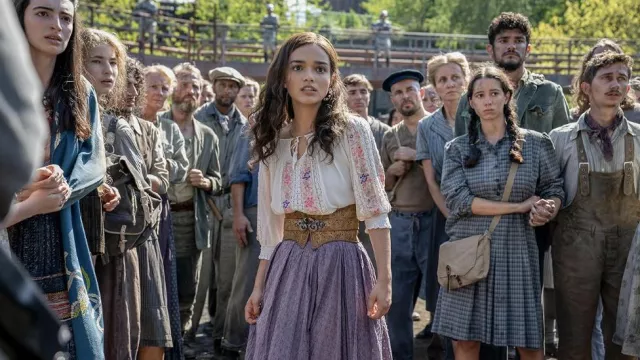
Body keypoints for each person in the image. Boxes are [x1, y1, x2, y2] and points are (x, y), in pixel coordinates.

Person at [244, 32, 392, 359]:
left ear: (332, 79)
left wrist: (385, 279)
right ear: (283, 78)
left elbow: (375, 210)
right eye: (298, 67)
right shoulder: (272, 139)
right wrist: (258, 286)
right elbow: (271, 227)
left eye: (320, 68)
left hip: (342, 265)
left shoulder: (353, 131)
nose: (310, 76)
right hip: (288, 265)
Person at [453, 14, 570, 358]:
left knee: (524, 313)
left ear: (528, 48)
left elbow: (560, 153)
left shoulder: (548, 92)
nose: (511, 45)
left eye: (518, 40)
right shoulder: (469, 97)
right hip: (480, 220)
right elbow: (463, 153)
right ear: (491, 48)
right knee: (477, 316)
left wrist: (550, 205)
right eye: (504, 40)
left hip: (531, 217)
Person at [433, 65, 564, 360]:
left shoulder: (536, 144)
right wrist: (519, 206)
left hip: (518, 250)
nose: (488, 101)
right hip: (468, 251)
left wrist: (547, 209)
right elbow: (459, 201)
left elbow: (555, 188)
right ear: (472, 102)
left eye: (494, 93)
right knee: (465, 343)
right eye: (480, 95)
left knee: (529, 345)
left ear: (507, 96)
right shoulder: (457, 148)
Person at [10, 0, 107, 358]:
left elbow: (94, 159)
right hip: (9, 223)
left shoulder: (80, 91)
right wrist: (27, 186)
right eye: (43, 13)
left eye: (66, 17)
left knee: (59, 343)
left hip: (60, 231)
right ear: (19, 16)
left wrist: (59, 184)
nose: (57, 25)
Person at [550, 52, 640, 360]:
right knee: (574, 341)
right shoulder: (560, 139)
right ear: (586, 87)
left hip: (629, 253)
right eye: (606, 77)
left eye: (622, 78)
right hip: (575, 250)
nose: (615, 84)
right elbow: (549, 190)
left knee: (625, 340)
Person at [162, 63, 222, 355]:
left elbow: (219, 181)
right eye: (186, 84)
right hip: (160, 217)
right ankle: (157, 342)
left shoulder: (208, 135)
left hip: (192, 218)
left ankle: (180, 341)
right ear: (173, 88)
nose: (192, 91)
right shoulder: (155, 126)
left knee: (188, 285)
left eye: (196, 87)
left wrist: (207, 182)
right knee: (157, 282)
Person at [415, 52, 470, 358]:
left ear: (466, 79)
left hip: (481, 214)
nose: (450, 84)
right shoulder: (427, 127)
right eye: (442, 79)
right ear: (434, 86)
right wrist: (452, 216)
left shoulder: (481, 116)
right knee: (446, 286)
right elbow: (431, 181)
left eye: (455, 78)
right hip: (445, 216)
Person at [120, 57, 173, 360]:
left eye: (135, 83)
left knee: (153, 322)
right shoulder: (96, 123)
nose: (130, 89)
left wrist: (133, 179)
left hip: (145, 231)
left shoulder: (148, 130)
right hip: (110, 237)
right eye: (124, 82)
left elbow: (162, 180)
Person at [380, 69, 434, 360]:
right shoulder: (390, 136)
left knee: (440, 298)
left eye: (410, 90)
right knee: (398, 301)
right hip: (399, 223)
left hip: (434, 221)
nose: (405, 97)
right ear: (392, 99)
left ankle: (442, 353)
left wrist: (418, 156)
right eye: (398, 93)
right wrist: (389, 173)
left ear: (421, 93)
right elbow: (381, 187)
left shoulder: (438, 127)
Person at [194, 66, 248, 355]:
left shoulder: (245, 124)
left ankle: (221, 336)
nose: (227, 91)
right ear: (213, 86)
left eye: (232, 86)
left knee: (228, 276)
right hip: (201, 204)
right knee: (202, 279)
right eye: (222, 85)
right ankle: (190, 335)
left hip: (230, 203)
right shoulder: (198, 117)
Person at [143, 63, 189, 360]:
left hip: (160, 210)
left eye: (164, 88)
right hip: (128, 213)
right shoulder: (126, 119)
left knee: (162, 279)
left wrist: (153, 170)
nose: (160, 93)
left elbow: (181, 168)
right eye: (153, 86)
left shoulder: (169, 126)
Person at [223, 119, 260, 358]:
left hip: (289, 214)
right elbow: (238, 176)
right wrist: (238, 215)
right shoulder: (254, 125)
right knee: (247, 280)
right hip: (255, 212)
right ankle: (234, 342)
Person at [571, 39, 640, 124]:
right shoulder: (571, 118)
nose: (606, 62)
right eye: (599, 59)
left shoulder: (637, 115)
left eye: (613, 58)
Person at [343, 74, 390, 151]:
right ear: (343, 97)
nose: (359, 97)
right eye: (352, 92)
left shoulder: (384, 131)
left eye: (363, 92)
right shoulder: (337, 131)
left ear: (369, 95)